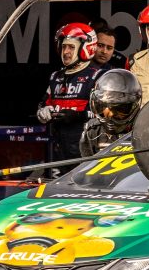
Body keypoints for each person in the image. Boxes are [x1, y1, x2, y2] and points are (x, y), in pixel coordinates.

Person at [36, 23, 101, 165]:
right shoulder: (55, 77)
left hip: (86, 150)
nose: (65, 52)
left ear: (86, 48)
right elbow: (42, 105)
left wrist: (78, 115)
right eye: (63, 46)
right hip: (56, 149)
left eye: (71, 47)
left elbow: (105, 115)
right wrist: (43, 112)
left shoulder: (97, 76)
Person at [80, 69, 143, 155]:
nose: (110, 115)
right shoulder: (93, 130)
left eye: (121, 108)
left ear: (135, 106)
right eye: (103, 107)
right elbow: (86, 164)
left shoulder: (145, 130)